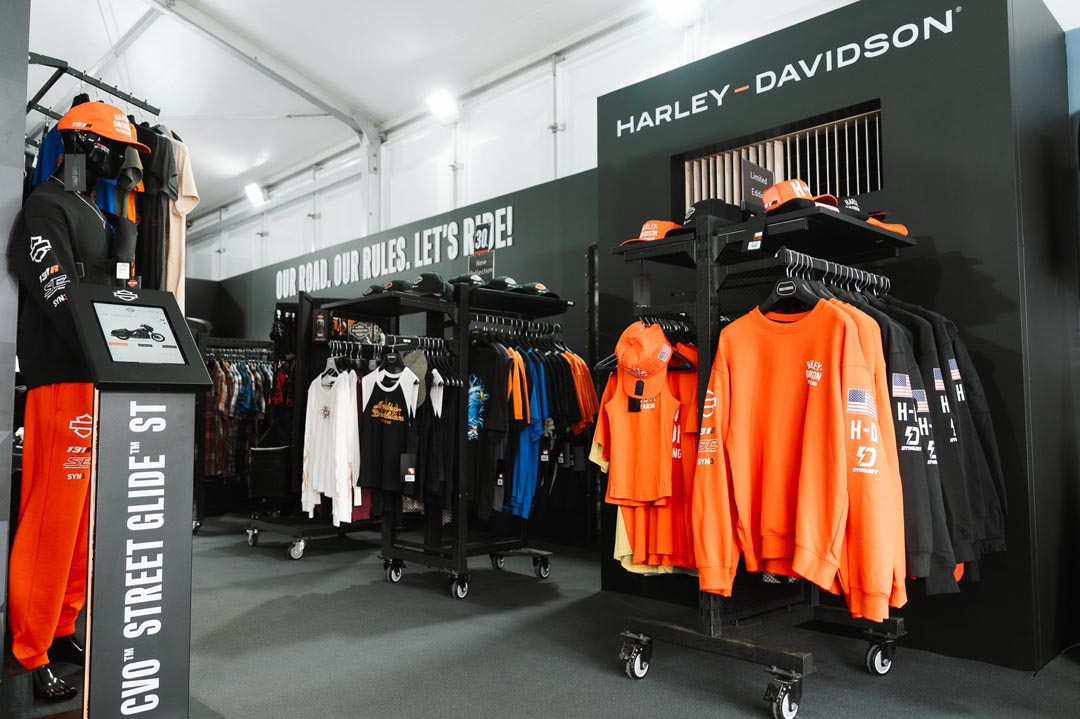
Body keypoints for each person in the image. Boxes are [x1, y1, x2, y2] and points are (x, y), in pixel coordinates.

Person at [6, 101, 150, 702]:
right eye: (120, 151)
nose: (126, 164)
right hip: (63, 380)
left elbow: (113, 295)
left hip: (96, 380)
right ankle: (30, 649)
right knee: (51, 518)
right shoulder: (46, 207)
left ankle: (63, 627)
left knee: (85, 520)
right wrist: (103, 350)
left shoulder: (99, 212)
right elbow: (57, 291)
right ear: (87, 145)